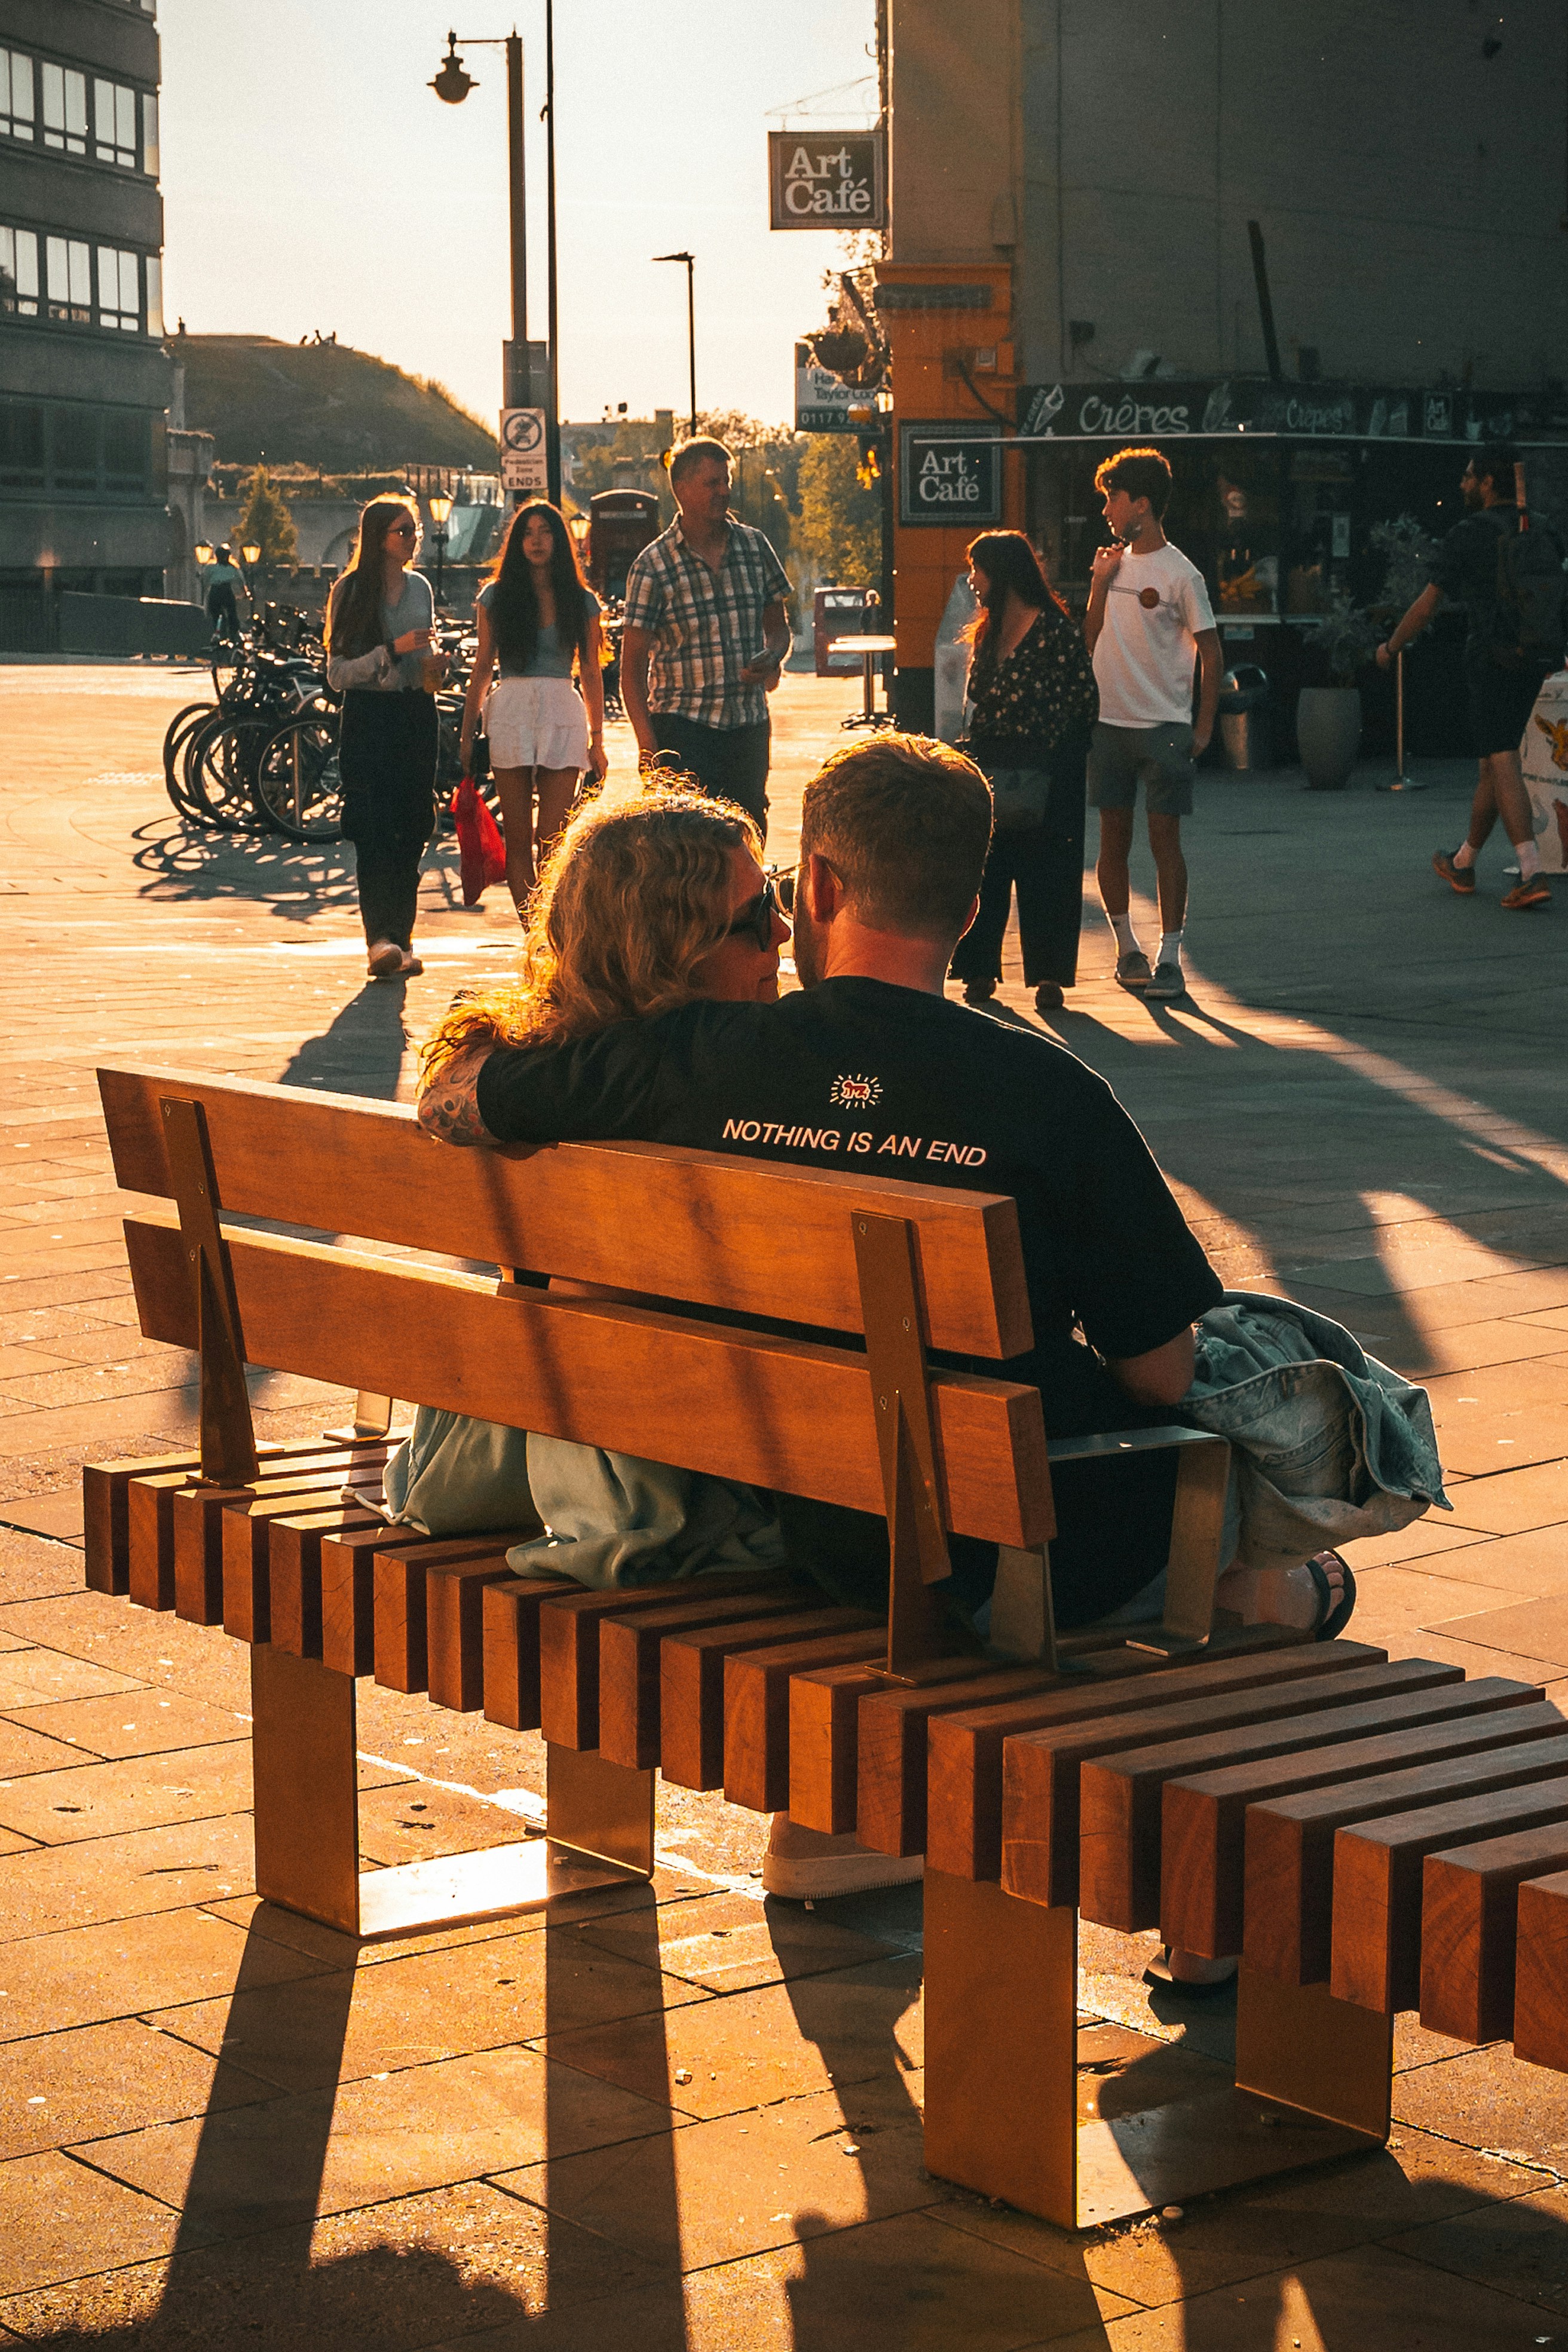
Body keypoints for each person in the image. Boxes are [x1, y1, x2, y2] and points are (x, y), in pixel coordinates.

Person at [1377, 444, 1564, 912]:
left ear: (1486, 482)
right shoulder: (1540, 527)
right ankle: (1464, 861)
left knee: (1502, 758)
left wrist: (1392, 646)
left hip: (1491, 659)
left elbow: (1428, 604)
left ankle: (1530, 870)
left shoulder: (1470, 533)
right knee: (1491, 762)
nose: (1461, 484)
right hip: (1536, 657)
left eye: (1467, 476)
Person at [1083, 445, 1221, 1003]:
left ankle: (1170, 957)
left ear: (1142, 503)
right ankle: (1127, 950)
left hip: (1164, 725)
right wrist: (1098, 583)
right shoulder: (1110, 563)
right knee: (1112, 840)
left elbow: (1212, 651)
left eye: (1114, 499)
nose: (1107, 510)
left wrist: (1204, 726)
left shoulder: (1183, 574)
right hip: (1107, 723)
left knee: (1166, 843)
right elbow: (1088, 639)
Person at [948, 531, 1098, 1018]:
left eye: (979, 570)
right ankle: (979, 969)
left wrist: (1061, 758)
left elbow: (1084, 699)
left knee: (1048, 872)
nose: (973, 581)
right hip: (992, 762)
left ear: (1003, 574)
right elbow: (978, 695)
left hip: (1047, 768)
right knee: (986, 869)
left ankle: (1050, 974)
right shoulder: (986, 632)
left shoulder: (1056, 630)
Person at [619, 435, 792, 834]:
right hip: (683, 727)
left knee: (749, 831)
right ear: (682, 490)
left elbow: (778, 629)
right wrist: (648, 745)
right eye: (712, 483)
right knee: (688, 844)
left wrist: (772, 656)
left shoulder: (755, 547)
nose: (724, 491)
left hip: (747, 724)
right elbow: (631, 670)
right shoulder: (653, 566)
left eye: (726, 481)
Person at [458, 500, 610, 918]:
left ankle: (553, 927)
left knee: (555, 836)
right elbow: (484, 666)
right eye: (528, 533)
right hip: (511, 709)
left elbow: (592, 672)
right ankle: (534, 937)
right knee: (519, 838)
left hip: (563, 707)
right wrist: (467, 732)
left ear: (560, 542)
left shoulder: (581, 601)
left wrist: (598, 741)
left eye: (546, 532)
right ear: (517, 542)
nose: (537, 541)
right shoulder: (497, 596)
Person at [324, 495, 442, 980]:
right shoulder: (349, 593)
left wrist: (437, 667)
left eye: (414, 530)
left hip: (416, 712)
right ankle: (380, 939)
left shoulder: (421, 589)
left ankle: (404, 938)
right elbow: (336, 674)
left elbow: (427, 656)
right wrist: (390, 652)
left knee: (413, 825)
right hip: (370, 718)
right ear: (378, 538)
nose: (413, 539)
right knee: (373, 828)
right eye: (403, 531)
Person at [204, 544, 244, 641]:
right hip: (223, 590)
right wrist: (244, 592)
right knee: (228, 613)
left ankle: (227, 633)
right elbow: (241, 581)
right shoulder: (232, 568)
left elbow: (205, 580)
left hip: (218, 590)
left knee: (225, 613)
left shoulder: (212, 568)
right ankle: (229, 633)